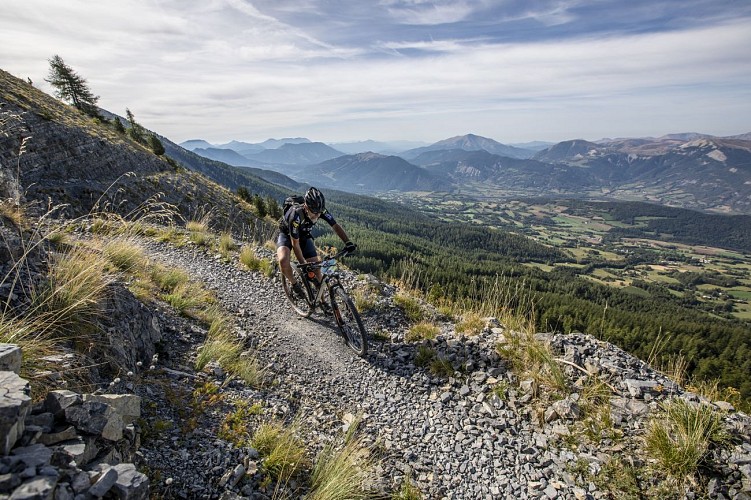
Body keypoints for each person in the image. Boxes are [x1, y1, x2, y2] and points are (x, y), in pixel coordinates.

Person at [276, 187, 356, 298]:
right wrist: (304, 265)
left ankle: (321, 301)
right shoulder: (296, 216)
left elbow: (335, 225)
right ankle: (294, 284)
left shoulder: (319, 209)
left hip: (303, 236)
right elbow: (295, 244)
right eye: (314, 214)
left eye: (319, 214)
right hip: (287, 235)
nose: (317, 216)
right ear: (306, 207)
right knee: (283, 261)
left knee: (317, 270)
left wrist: (348, 242)